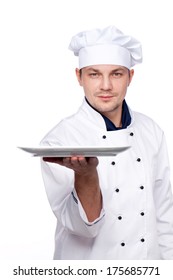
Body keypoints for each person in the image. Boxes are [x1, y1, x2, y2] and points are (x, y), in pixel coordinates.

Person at [40, 26, 173, 259]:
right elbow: (82, 227)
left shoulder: (151, 131)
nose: (105, 86)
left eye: (116, 74)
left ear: (130, 77)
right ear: (78, 77)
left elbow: (165, 213)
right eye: (94, 74)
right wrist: (87, 176)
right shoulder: (60, 140)